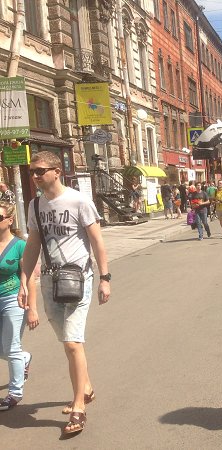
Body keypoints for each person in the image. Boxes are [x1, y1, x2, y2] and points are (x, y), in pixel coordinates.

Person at [18, 151, 111, 435]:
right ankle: (87, 387)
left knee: (72, 342)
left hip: (77, 279)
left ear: (57, 171)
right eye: (32, 171)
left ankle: (79, 407)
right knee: (69, 342)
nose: (35, 176)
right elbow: (33, 245)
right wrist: (24, 280)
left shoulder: (79, 201)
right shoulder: (35, 205)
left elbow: (97, 241)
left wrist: (105, 278)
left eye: (40, 170)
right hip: (50, 281)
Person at [0, 202, 38, 411]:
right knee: (3, 349)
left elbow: (30, 278)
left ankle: (15, 393)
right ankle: (24, 358)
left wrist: (32, 308)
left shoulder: (20, 245)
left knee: (11, 347)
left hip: (13, 299)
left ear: (9, 220)